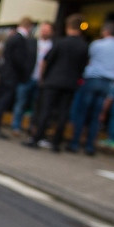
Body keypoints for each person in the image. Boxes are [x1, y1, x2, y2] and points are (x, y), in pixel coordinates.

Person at [25, 14, 89, 152]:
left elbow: (46, 61)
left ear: (68, 27)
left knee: (45, 110)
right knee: (63, 113)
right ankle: (56, 143)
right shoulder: (84, 46)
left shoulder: (60, 43)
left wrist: (43, 78)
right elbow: (83, 67)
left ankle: (36, 139)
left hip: (53, 81)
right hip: (70, 84)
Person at [68, 21, 114, 155]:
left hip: (93, 79)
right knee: (96, 116)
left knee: (82, 112)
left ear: (106, 32)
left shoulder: (97, 44)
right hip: (108, 83)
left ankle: (75, 143)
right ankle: (89, 146)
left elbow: (88, 59)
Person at [0, 18, 35, 138]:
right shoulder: (19, 39)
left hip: (5, 74)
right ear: (29, 27)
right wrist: (25, 73)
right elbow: (18, 60)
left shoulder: (12, 37)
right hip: (10, 76)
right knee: (2, 101)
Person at [10, 21, 54, 134]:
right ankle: (16, 127)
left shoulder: (53, 46)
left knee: (36, 106)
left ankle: (31, 128)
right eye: (43, 29)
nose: (44, 32)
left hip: (41, 81)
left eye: (47, 30)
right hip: (27, 77)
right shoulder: (31, 42)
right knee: (21, 103)